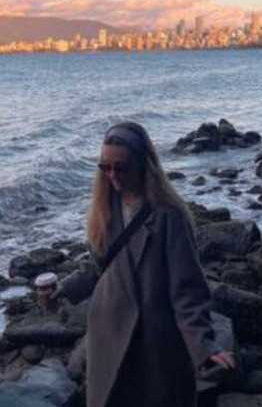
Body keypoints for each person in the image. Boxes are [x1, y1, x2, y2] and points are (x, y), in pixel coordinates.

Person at [85, 122, 236, 407]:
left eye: (121, 167)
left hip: (153, 341)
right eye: (105, 167)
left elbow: (187, 289)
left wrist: (204, 346)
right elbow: (98, 270)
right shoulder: (102, 208)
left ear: (144, 164)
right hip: (107, 333)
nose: (113, 176)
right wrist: (60, 293)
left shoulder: (169, 215)